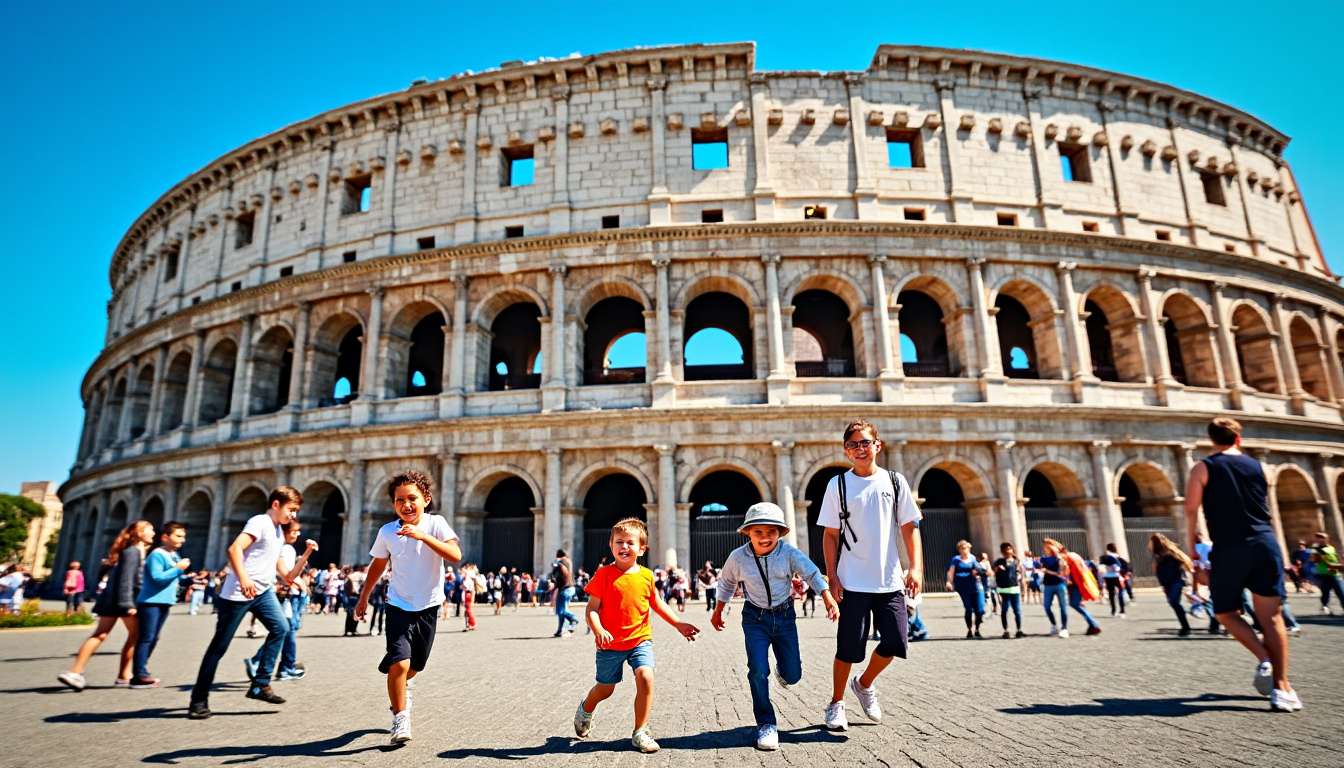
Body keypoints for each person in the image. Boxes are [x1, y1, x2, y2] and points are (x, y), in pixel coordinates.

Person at [1185, 417, 1299, 711]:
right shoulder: (1259, 466)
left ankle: (1264, 659)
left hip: (1230, 547)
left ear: (1212, 439)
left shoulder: (1204, 467)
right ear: (1239, 438)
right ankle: (1283, 689)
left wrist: (1194, 546)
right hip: (1264, 543)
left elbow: (1191, 509)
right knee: (1272, 618)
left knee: (1225, 612)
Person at [816, 419, 923, 732]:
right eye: (853, 445)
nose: (860, 449)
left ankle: (863, 684)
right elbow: (830, 534)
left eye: (865, 442)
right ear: (846, 451)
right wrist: (832, 576)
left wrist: (915, 568)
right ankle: (836, 703)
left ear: (877, 445)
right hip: (852, 580)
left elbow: (909, 527)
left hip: (889, 580)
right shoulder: (837, 485)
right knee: (849, 648)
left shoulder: (894, 481)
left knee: (895, 641)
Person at [711, 503, 838, 750]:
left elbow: (811, 573)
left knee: (793, 675)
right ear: (747, 532)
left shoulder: (788, 553)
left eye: (772, 531)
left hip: (785, 617)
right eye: (758, 531)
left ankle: (784, 669)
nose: (765, 537)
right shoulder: (737, 557)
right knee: (757, 669)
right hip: (754, 618)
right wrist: (718, 611)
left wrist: (826, 596)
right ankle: (766, 724)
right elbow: (726, 583)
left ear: (780, 532)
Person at [573, 518, 699, 753]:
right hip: (610, 644)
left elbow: (657, 604)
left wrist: (679, 624)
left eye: (630, 543)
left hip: (640, 639)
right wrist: (598, 629)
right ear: (610, 545)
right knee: (605, 689)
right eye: (619, 542)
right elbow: (591, 608)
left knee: (646, 677)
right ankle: (586, 708)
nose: (624, 547)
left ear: (642, 549)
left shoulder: (647, 576)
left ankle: (640, 731)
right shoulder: (604, 575)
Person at [355, 471, 462, 745]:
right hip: (398, 604)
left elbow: (455, 555)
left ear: (426, 499)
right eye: (399, 500)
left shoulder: (436, 524)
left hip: (428, 605)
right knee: (400, 664)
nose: (406, 504)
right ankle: (400, 717)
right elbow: (378, 565)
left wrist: (423, 536)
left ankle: (400, 683)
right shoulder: (387, 531)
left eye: (412, 498)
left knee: (416, 665)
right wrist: (364, 597)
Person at [188, 487, 311, 719]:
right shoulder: (260, 522)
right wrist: (243, 578)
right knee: (219, 646)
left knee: (281, 628)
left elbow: (286, 576)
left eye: (296, 511)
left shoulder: (276, 532)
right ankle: (198, 699)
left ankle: (260, 684)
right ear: (276, 504)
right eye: (291, 510)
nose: (293, 515)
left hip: (262, 592)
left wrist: (304, 556)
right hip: (237, 593)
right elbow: (234, 548)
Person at [58, 521, 150, 691]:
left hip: (110, 599)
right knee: (136, 636)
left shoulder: (129, 551)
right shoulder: (133, 552)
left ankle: (76, 672)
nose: (153, 533)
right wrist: (127, 603)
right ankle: (123, 675)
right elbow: (127, 579)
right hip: (123, 600)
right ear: (140, 533)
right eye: (150, 530)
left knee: (100, 634)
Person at [246, 520, 317, 682]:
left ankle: (280, 665)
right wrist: (299, 582)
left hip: (283, 595)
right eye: (294, 532)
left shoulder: (282, 547)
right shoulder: (285, 548)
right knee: (286, 630)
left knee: (285, 630)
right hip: (285, 596)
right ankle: (281, 666)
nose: (298, 534)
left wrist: (305, 555)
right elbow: (286, 575)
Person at [130, 521, 192, 688]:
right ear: (165, 537)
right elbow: (158, 578)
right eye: (178, 536)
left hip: (164, 601)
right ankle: (139, 674)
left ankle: (142, 670)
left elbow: (175, 578)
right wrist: (179, 568)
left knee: (154, 637)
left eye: (184, 537)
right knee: (146, 637)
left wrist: (192, 579)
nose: (182, 540)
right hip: (150, 601)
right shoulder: (157, 554)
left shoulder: (174, 555)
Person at [1150, 533, 1195, 635]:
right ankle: (1185, 623)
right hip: (1166, 582)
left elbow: (1186, 561)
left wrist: (1191, 578)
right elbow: (1154, 569)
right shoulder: (1156, 555)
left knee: (1174, 602)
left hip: (1176, 580)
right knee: (1173, 603)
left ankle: (1186, 627)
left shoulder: (1171, 553)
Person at [945, 541, 985, 639]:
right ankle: (970, 629)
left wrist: (977, 572)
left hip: (975, 586)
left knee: (979, 610)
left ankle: (977, 629)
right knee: (968, 608)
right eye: (962, 548)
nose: (965, 550)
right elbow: (951, 571)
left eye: (966, 548)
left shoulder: (973, 559)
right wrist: (949, 581)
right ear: (959, 550)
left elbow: (979, 569)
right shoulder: (956, 560)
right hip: (963, 587)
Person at [1059, 544, 1102, 635]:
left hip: (1077, 584)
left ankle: (1093, 624)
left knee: (1074, 604)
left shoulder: (1070, 558)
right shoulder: (1074, 556)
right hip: (1078, 584)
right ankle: (1092, 625)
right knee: (1075, 604)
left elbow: (1075, 573)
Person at [993, 542, 1025, 638]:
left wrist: (1023, 588)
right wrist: (998, 568)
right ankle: (1006, 630)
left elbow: (1021, 574)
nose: (1008, 550)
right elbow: (993, 571)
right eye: (1005, 549)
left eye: (1009, 548)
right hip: (1004, 590)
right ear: (1002, 551)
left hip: (1014, 589)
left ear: (1012, 550)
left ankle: (1019, 630)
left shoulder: (1016, 561)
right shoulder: (999, 561)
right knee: (1004, 610)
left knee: (1017, 610)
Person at [1038, 539, 1070, 637]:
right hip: (1048, 584)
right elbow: (1040, 566)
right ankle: (1054, 625)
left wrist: (1057, 554)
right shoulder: (1044, 558)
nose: (1046, 548)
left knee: (1063, 606)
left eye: (1048, 546)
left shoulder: (1062, 558)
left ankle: (1064, 628)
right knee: (1047, 606)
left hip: (1060, 583)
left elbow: (1062, 572)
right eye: (1045, 547)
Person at [1310, 532, 1343, 614]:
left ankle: (1327, 606)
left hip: (1333, 572)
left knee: (1340, 591)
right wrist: (1315, 552)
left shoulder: (1330, 548)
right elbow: (1314, 559)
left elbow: (1327, 555)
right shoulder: (1315, 550)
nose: (1320, 539)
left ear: (1326, 539)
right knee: (1326, 590)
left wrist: (1317, 550)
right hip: (1323, 572)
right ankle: (1324, 606)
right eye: (1318, 538)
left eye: (1322, 537)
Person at [552, 549, 579, 637]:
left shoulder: (561, 562)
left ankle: (573, 619)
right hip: (571, 587)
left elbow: (564, 571)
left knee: (560, 611)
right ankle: (559, 630)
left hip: (564, 588)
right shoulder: (569, 561)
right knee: (563, 611)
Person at [1099, 543, 1127, 618]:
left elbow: (1101, 566)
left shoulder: (1104, 557)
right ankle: (1122, 609)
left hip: (1107, 576)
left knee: (1111, 594)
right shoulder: (1117, 556)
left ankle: (1113, 610)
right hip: (1116, 576)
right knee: (1120, 590)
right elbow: (1120, 566)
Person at [369, 571, 389, 636]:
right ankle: (377, 629)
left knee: (378, 615)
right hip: (380, 600)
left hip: (379, 600)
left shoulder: (380, 582)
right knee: (379, 615)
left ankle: (376, 629)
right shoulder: (381, 583)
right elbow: (381, 590)